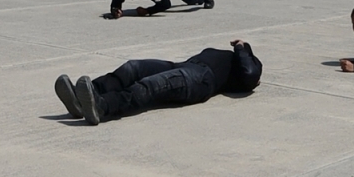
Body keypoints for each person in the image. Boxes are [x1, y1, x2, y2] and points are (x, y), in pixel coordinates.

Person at [54, 39, 262, 125]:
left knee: (150, 86)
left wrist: (242, 47)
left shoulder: (247, 64)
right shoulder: (231, 58)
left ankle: (102, 106)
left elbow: (250, 74)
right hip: (182, 65)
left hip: (199, 80)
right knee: (132, 67)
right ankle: (84, 96)